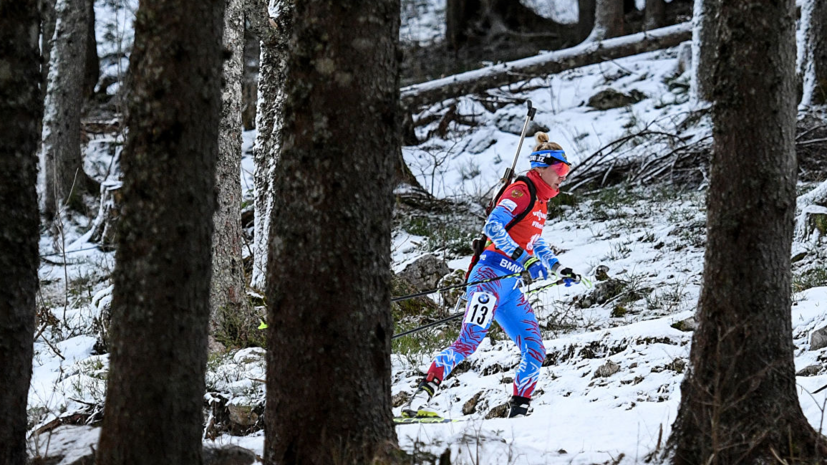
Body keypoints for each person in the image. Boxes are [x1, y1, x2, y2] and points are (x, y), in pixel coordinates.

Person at [402, 132, 581, 419]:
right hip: (489, 277)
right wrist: (524, 258)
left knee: (535, 350)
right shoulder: (522, 191)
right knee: (468, 342)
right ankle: (419, 398)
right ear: (541, 168)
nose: (563, 176)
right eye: (560, 169)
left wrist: (559, 267)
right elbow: (493, 227)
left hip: (510, 289)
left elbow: (534, 241)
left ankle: (518, 413)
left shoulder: (542, 201)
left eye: (567, 169)